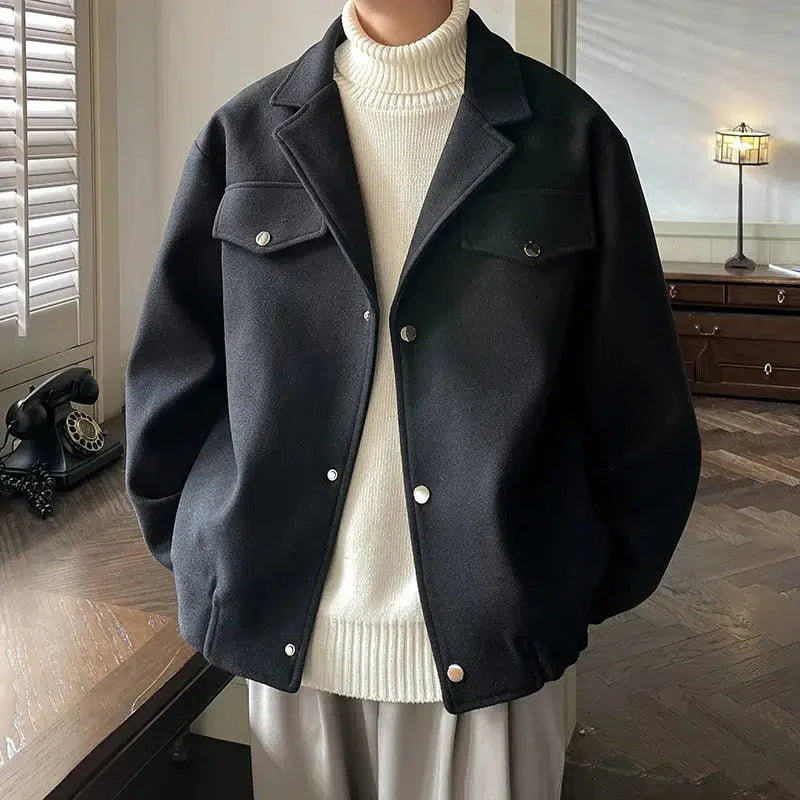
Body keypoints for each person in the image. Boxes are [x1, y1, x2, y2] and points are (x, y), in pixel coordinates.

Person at [124, 0, 702, 797]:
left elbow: (640, 404)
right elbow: (173, 378)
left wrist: (560, 584)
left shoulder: (572, 138)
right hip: (294, 641)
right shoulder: (242, 136)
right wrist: (211, 549)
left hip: (499, 643)